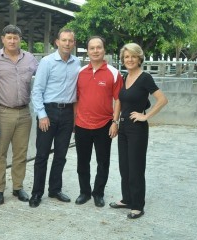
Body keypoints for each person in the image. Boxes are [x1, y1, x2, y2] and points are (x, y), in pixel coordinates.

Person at [109, 43, 168, 219]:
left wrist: (145, 116)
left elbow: (162, 99)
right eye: (126, 57)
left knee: (135, 167)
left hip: (137, 128)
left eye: (133, 56)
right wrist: (115, 121)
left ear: (139, 58)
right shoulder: (125, 76)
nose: (129, 59)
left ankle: (137, 205)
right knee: (124, 166)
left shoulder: (145, 78)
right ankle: (127, 199)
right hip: (124, 127)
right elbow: (119, 100)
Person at [29, 28, 81, 208]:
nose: (67, 43)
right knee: (42, 155)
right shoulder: (47, 62)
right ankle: (37, 193)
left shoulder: (77, 63)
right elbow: (37, 91)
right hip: (48, 112)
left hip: (67, 113)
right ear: (57, 42)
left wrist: (75, 117)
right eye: (64, 40)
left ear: (74, 43)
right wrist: (41, 115)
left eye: (70, 41)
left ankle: (55, 189)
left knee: (61, 154)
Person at [0, 25, 38, 204]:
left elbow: (41, 79)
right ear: (2, 38)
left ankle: (18, 187)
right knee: (0, 153)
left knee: (20, 153)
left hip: (24, 112)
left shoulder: (30, 58)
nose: (12, 41)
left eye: (15, 38)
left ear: (20, 39)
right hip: (2, 112)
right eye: (8, 37)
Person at [74, 36, 123, 207]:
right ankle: (84, 192)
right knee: (82, 161)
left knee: (103, 162)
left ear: (104, 50)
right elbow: (76, 98)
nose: (95, 51)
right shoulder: (80, 73)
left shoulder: (113, 73)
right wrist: (75, 120)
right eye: (92, 48)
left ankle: (98, 193)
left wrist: (115, 122)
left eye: (99, 47)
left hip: (104, 125)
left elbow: (118, 99)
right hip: (81, 125)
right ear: (87, 51)